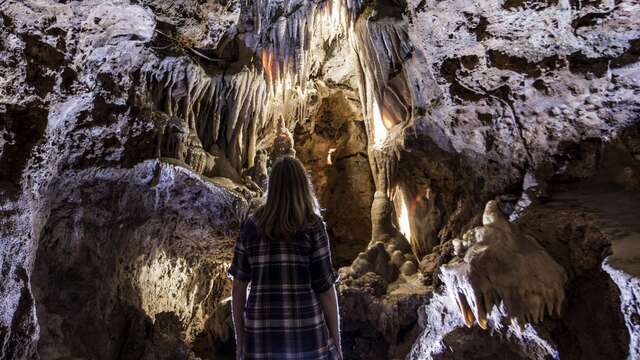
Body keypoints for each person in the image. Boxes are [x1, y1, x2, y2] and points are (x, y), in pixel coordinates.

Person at [228, 155, 342, 360]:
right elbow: (325, 289)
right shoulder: (313, 226)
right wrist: (336, 341)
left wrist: (241, 342)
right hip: (307, 337)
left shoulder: (252, 226)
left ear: (272, 187)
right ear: (302, 187)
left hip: (261, 338)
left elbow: (238, 287)